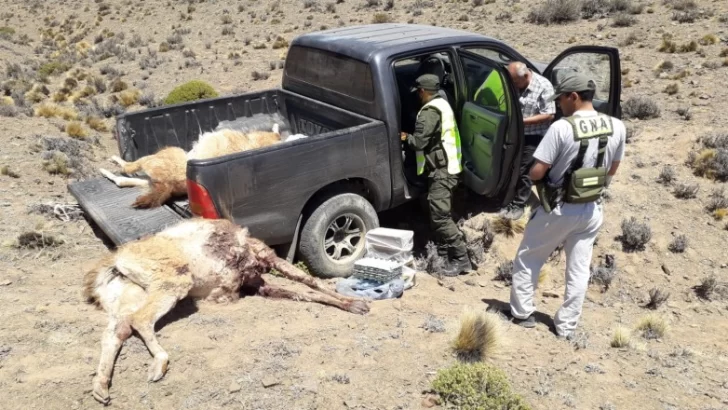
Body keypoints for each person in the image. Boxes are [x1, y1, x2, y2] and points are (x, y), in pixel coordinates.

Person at [508, 71, 626, 340]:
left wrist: (529, 173)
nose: (558, 105)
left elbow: (538, 172)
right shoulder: (617, 126)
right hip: (592, 209)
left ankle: (522, 312)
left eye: (560, 99)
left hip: (559, 207)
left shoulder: (561, 127)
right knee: (579, 269)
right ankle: (567, 326)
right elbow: (613, 169)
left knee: (529, 256)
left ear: (574, 97)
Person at [400, 74, 472, 277]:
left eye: (418, 92)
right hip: (448, 167)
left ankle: (461, 259)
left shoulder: (429, 112)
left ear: (423, 91)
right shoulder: (443, 103)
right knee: (437, 212)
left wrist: (405, 137)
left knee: (440, 217)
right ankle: (441, 253)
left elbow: (419, 143)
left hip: (442, 171)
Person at [500, 62, 556, 220]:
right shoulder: (516, 82)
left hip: (534, 135)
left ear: (525, 76)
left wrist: (521, 121)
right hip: (515, 133)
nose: (514, 85)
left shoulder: (545, 86)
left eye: (515, 82)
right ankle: (508, 195)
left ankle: (519, 204)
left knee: (525, 171)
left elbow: (549, 114)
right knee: (512, 165)